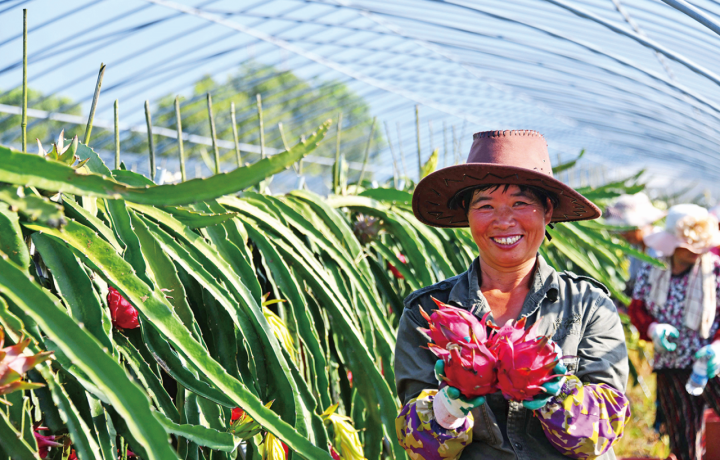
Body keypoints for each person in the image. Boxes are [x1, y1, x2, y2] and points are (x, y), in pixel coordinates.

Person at [395, 130, 631, 460]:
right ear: (467, 215)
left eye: (520, 203)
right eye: (485, 205)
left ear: (547, 211)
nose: (504, 220)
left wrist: (550, 389)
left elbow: (602, 431)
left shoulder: (589, 306)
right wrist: (446, 408)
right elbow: (421, 447)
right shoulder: (430, 314)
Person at [629, 204, 720, 460]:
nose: (695, 253)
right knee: (683, 436)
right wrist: (654, 328)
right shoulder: (652, 269)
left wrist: (717, 347)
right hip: (672, 365)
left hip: (712, 363)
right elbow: (638, 309)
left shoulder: (715, 269)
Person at [604, 193, 666, 294]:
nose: (623, 235)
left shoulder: (662, 246)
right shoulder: (635, 249)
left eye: (627, 229)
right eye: (621, 230)